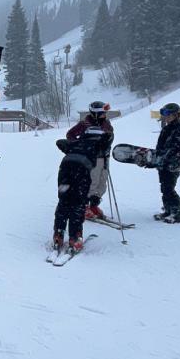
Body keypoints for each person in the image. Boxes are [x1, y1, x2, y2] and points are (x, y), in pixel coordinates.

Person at [52, 119, 112, 253]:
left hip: (65, 170)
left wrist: (72, 145)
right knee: (78, 204)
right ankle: (75, 237)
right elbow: (108, 140)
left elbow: (60, 143)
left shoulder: (77, 142)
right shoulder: (98, 144)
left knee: (64, 201)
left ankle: (58, 233)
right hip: (82, 172)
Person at [66, 100, 114, 220]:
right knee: (92, 182)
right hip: (92, 158)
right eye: (103, 113)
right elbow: (70, 135)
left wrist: (108, 140)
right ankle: (85, 206)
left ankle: (94, 205)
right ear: (96, 113)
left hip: (105, 157)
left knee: (102, 184)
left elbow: (110, 136)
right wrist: (80, 146)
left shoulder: (106, 123)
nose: (105, 115)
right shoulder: (85, 123)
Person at [150, 102, 180, 223]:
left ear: (176, 115)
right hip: (163, 164)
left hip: (174, 164)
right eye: (163, 113)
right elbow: (160, 146)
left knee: (169, 188)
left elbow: (175, 148)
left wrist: (164, 158)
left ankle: (177, 214)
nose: (164, 116)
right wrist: (156, 159)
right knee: (164, 187)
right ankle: (168, 210)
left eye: (167, 114)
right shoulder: (166, 128)